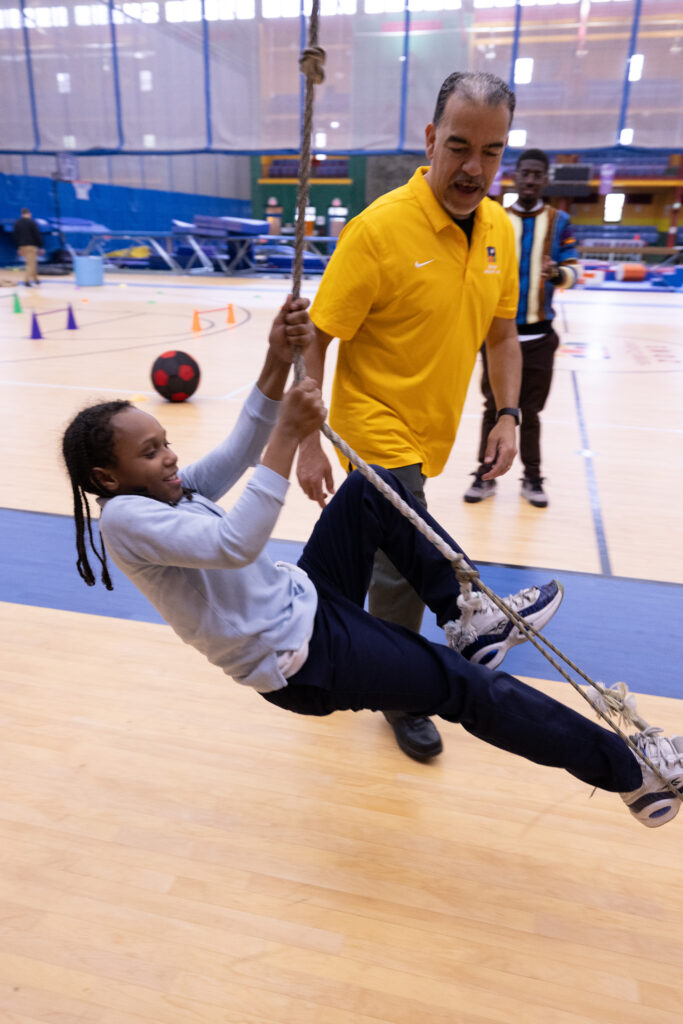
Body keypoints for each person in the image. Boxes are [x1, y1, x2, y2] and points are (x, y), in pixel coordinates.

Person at [60, 298, 683, 831]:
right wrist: (288, 438)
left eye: (166, 442)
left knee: (368, 489)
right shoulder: (126, 519)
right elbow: (236, 544)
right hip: (303, 660)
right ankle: (636, 777)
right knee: (466, 689)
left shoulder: (167, 490)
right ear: (106, 477)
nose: (170, 458)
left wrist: (277, 360)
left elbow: (239, 448)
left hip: (307, 599)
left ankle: (467, 618)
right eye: (151, 452)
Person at [296, 70, 522, 762]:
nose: (472, 167)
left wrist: (506, 414)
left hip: (433, 432)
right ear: (429, 139)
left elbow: (503, 335)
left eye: (490, 152)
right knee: (407, 560)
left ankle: (316, 635)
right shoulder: (378, 231)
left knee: (365, 554)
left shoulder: (499, 234)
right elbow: (316, 334)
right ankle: (403, 692)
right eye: (458, 147)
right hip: (372, 426)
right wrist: (307, 437)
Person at [464, 148, 579, 508]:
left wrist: (557, 273)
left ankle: (532, 476)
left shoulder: (560, 222)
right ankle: (485, 475)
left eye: (536, 174)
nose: (530, 180)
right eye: (525, 173)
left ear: (545, 180)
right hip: (498, 335)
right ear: (515, 177)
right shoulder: (492, 217)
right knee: (492, 408)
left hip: (540, 335)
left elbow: (574, 270)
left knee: (530, 412)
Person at [13, 207, 43, 287]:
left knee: (31, 263)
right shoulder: (32, 222)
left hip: (22, 246)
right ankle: (27, 281)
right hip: (31, 246)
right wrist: (41, 246)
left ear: (22, 214)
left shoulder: (17, 223)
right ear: (29, 214)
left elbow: (16, 236)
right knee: (31, 264)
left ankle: (36, 279)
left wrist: (18, 247)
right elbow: (36, 235)